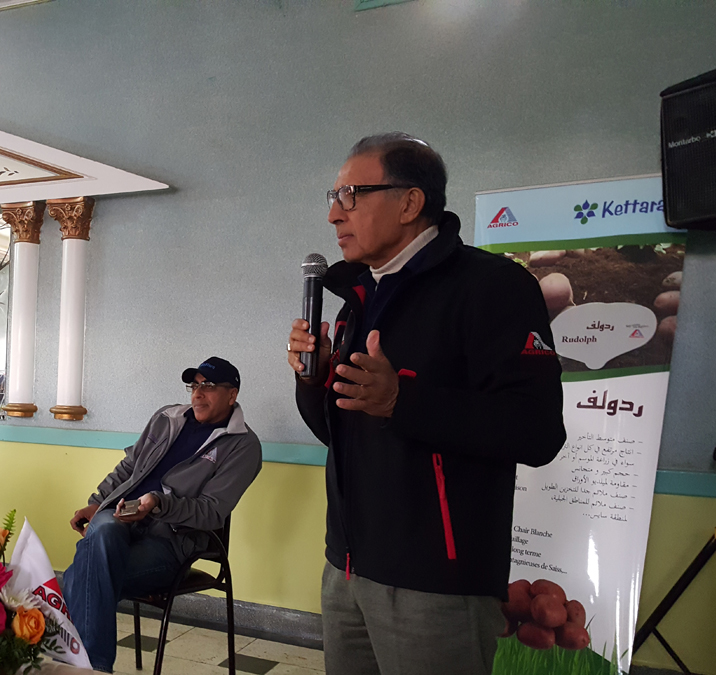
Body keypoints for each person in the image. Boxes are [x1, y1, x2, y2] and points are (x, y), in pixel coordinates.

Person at [286, 133, 566, 675]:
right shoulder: (358, 298)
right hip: (346, 569)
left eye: (350, 195)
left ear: (410, 202)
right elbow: (339, 432)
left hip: (436, 584)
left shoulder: (491, 287)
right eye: (332, 195)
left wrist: (401, 399)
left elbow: (537, 432)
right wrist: (314, 380)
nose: (332, 214)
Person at [63, 357, 262, 673]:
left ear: (232, 394)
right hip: (121, 520)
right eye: (194, 385)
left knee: (80, 576)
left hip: (172, 545)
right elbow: (130, 467)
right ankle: (92, 668)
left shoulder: (243, 445)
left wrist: (158, 504)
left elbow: (212, 512)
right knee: (102, 527)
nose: (197, 394)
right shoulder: (166, 417)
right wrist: (98, 501)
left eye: (208, 387)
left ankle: (88, 666)